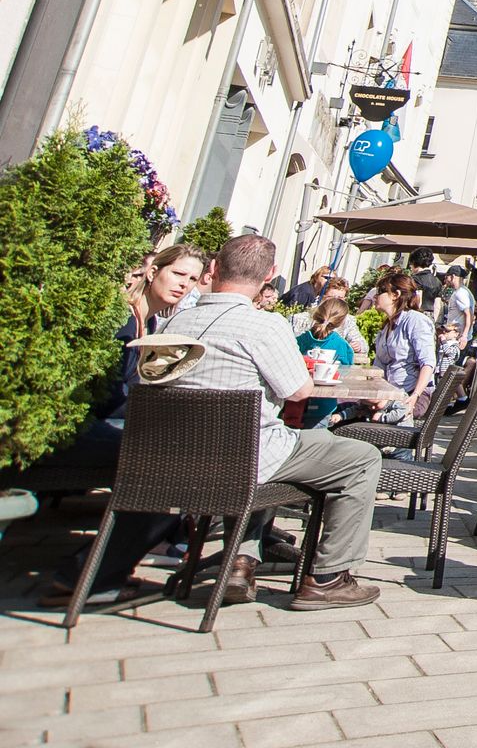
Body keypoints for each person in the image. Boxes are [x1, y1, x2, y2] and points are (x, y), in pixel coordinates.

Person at [163, 236, 384, 609]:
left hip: (173, 455)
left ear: (213, 269)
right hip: (250, 456)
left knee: (272, 442)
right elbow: (298, 391)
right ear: (270, 275)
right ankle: (328, 578)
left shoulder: (175, 320)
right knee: (361, 458)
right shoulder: (265, 327)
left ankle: (241, 560)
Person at [33, 243, 210, 609]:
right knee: (174, 468)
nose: (184, 285)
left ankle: (104, 568)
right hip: (78, 425)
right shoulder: (122, 319)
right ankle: (88, 576)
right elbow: (107, 394)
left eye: (192, 279)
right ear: (152, 270)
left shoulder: (154, 322)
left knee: (180, 460)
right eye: (177, 274)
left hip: (109, 422)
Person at [371, 275, 436, 419]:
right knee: (347, 406)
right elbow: (379, 366)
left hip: (412, 394)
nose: (375, 296)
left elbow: (428, 363)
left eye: (380, 291)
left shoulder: (415, 321)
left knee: (371, 413)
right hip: (389, 393)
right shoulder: (386, 326)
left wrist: (415, 396)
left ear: (395, 295)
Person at [296, 298, 360, 428]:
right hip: (323, 405)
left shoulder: (299, 340)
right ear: (341, 321)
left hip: (295, 401)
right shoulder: (342, 346)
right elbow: (345, 371)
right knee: (315, 444)